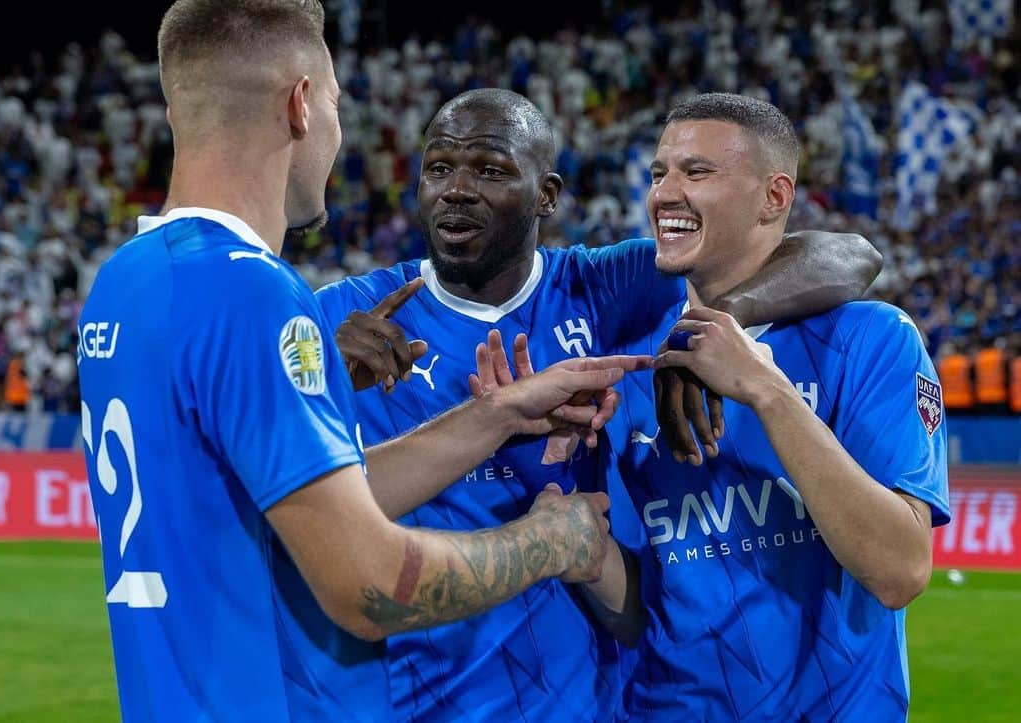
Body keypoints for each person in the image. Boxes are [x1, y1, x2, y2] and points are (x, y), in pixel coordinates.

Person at [77, 2, 652, 720]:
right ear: (302, 103)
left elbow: (293, 500)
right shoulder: (252, 293)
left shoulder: (123, 283)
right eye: (339, 104)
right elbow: (370, 585)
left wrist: (493, 415)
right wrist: (548, 541)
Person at [315, 88, 883, 722]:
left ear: (546, 196)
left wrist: (713, 320)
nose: (457, 188)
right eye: (440, 168)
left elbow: (848, 255)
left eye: (491, 170)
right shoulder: (346, 318)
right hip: (402, 695)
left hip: (577, 697)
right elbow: (262, 500)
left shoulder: (605, 286)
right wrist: (318, 377)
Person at [598, 93, 949, 720]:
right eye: (659, 173)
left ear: (775, 197)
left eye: (697, 172)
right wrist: (576, 545)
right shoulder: (633, 364)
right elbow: (640, 607)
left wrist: (767, 391)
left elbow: (899, 571)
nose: (664, 194)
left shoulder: (868, 339)